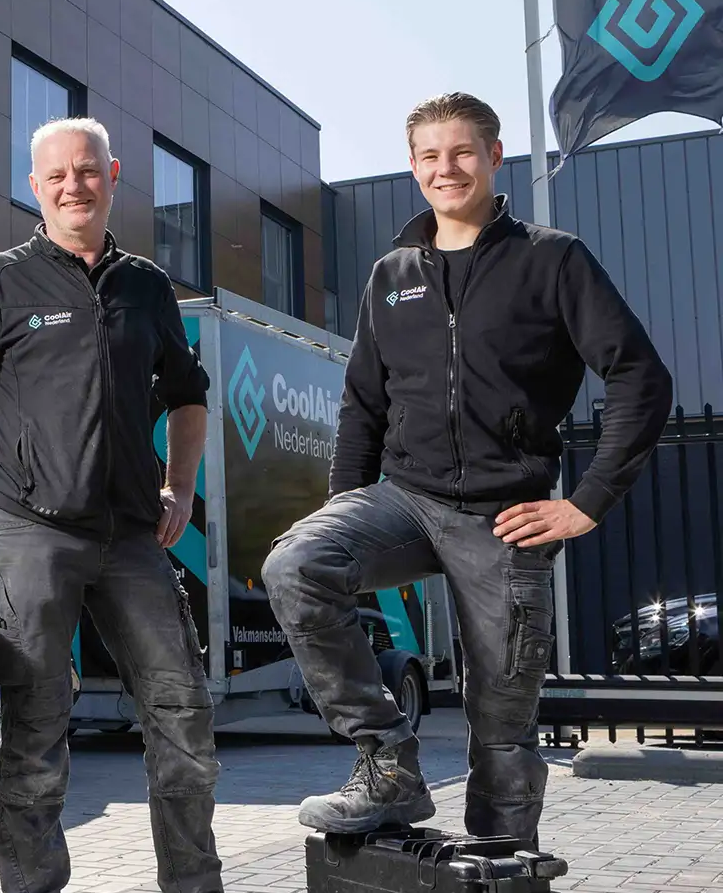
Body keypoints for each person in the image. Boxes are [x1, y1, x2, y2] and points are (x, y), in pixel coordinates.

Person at [0, 117, 294, 893]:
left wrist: (179, 489)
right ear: (34, 184)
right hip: (29, 531)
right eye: (55, 175)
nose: (72, 187)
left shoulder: (146, 288)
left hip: (133, 536)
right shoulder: (0, 283)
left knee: (183, 718)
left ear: (112, 176)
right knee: (35, 734)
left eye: (87, 172)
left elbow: (190, 397)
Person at [264, 93, 671, 846]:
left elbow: (640, 378)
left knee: (502, 726)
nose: (444, 168)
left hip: (504, 516)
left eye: (461, 152)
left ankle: (499, 882)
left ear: (493, 156)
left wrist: (585, 501)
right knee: (296, 562)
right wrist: (345, 513)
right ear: (413, 166)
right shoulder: (392, 276)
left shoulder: (552, 259)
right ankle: (386, 762)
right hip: (407, 500)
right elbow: (362, 407)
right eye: (428, 155)